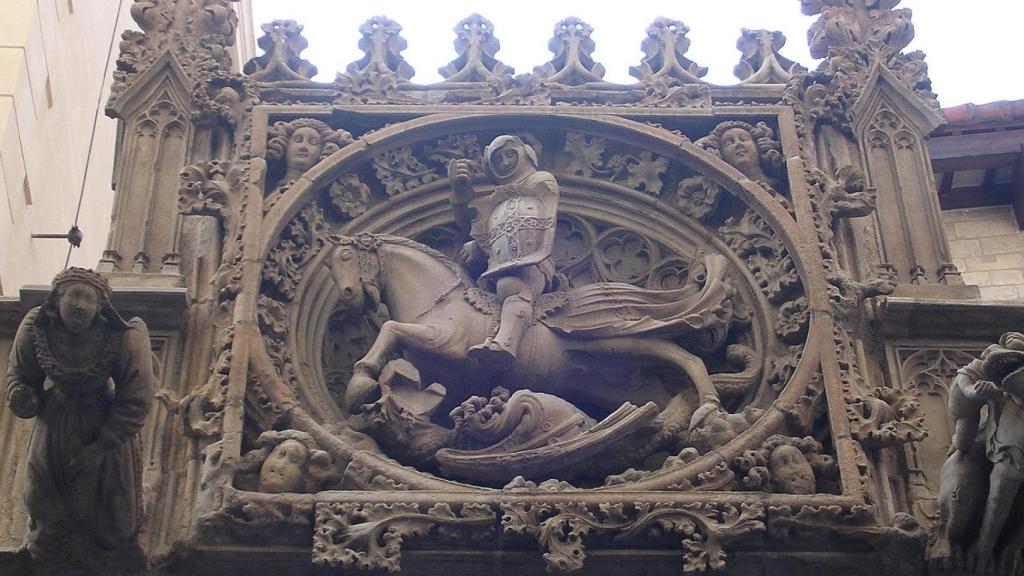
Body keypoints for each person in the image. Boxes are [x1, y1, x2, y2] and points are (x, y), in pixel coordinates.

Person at [5, 268, 153, 562]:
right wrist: (23, 397)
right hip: (54, 421)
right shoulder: (36, 326)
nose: (80, 306)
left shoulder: (124, 335)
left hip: (103, 425)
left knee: (111, 514)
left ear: (101, 309)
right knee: (42, 499)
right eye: (73, 296)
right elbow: (19, 377)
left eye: (89, 299)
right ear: (56, 301)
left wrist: (101, 446)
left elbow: (136, 398)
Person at [448, 135, 559, 368]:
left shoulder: (540, 183)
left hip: (532, 265)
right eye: (498, 159)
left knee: (512, 287)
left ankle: (506, 344)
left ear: (526, 154)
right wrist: (461, 192)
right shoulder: (495, 202)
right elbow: (475, 225)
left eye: (510, 154)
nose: (506, 162)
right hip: (495, 269)